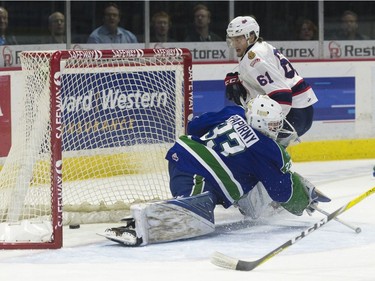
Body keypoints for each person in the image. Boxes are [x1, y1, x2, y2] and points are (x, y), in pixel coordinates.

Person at [101, 95, 329, 246]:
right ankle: (141, 226)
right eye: (273, 125)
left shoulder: (235, 112)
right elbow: (281, 191)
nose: (276, 129)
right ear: (260, 122)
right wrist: (301, 197)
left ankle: (145, 219)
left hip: (182, 158)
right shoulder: (266, 148)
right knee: (199, 211)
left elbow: (195, 126)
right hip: (199, 173)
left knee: (237, 188)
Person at [224, 16, 318, 147]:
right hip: (302, 110)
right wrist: (241, 81)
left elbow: (283, 95)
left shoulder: (253, 58)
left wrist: (270, 125)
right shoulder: (261, 47)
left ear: (251, 37)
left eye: (238, 39)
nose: (234, 44)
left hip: (293, 114)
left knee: (253, 146)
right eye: (232, 39)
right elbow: (267, 86)